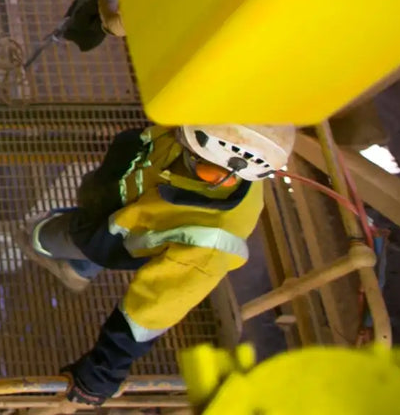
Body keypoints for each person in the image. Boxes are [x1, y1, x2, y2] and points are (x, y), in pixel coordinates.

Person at [20, 122, 296, 405]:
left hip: (119, 235)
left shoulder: (209, 244)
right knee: (91, 230)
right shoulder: (212, 129)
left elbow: (151, 311)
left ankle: (38, 240)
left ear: (222, 174)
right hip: (117, 194)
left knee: (45, 235)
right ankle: (79, 267)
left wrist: (100, 375)